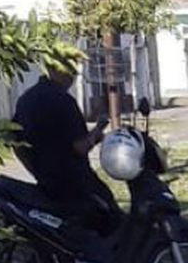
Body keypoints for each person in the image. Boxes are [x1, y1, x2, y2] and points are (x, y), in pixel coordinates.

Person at [13, 57, 117, 234]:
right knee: (111, 215)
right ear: (55, 70)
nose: (73, 77)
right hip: (75, 181)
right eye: (70, 72)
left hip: (46, 182)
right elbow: (79, 146)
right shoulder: (63, 101)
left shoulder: (25, 100)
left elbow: (16, 143)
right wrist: (98, 130)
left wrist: (37, 171)